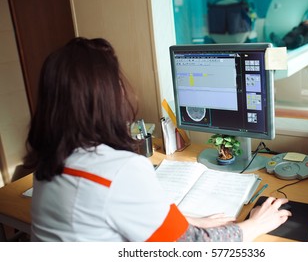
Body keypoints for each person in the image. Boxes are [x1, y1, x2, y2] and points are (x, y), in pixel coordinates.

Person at [24, 37, 291, 242]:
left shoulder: (51, 160)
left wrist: (184, 219)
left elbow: (109, 212)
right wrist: (254, 225)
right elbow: (193, 248)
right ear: (107, 98)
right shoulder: (120, 169)